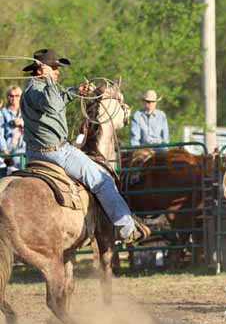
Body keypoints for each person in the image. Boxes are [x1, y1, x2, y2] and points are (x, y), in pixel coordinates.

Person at [20, 48, 148, 242]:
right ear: (41, 69)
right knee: (102, 179)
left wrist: (74, 91)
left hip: (34, 154)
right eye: (54, 68)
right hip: (56, 153)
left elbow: (56, 100)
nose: (57, 72)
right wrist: (48, 78)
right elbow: (53, 103)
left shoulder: (32, 90)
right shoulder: (39, 88)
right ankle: (126, 228)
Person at [0, 86, 26, 173]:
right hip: (9, 150)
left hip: (25, 148)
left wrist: (22, 123)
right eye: (11, 96)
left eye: (17, 95)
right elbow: (0, 134)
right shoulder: (2, 113)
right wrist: (4, 151)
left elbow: (35, 129)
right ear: (7, 97)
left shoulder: (27, 112)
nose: (14, 98)